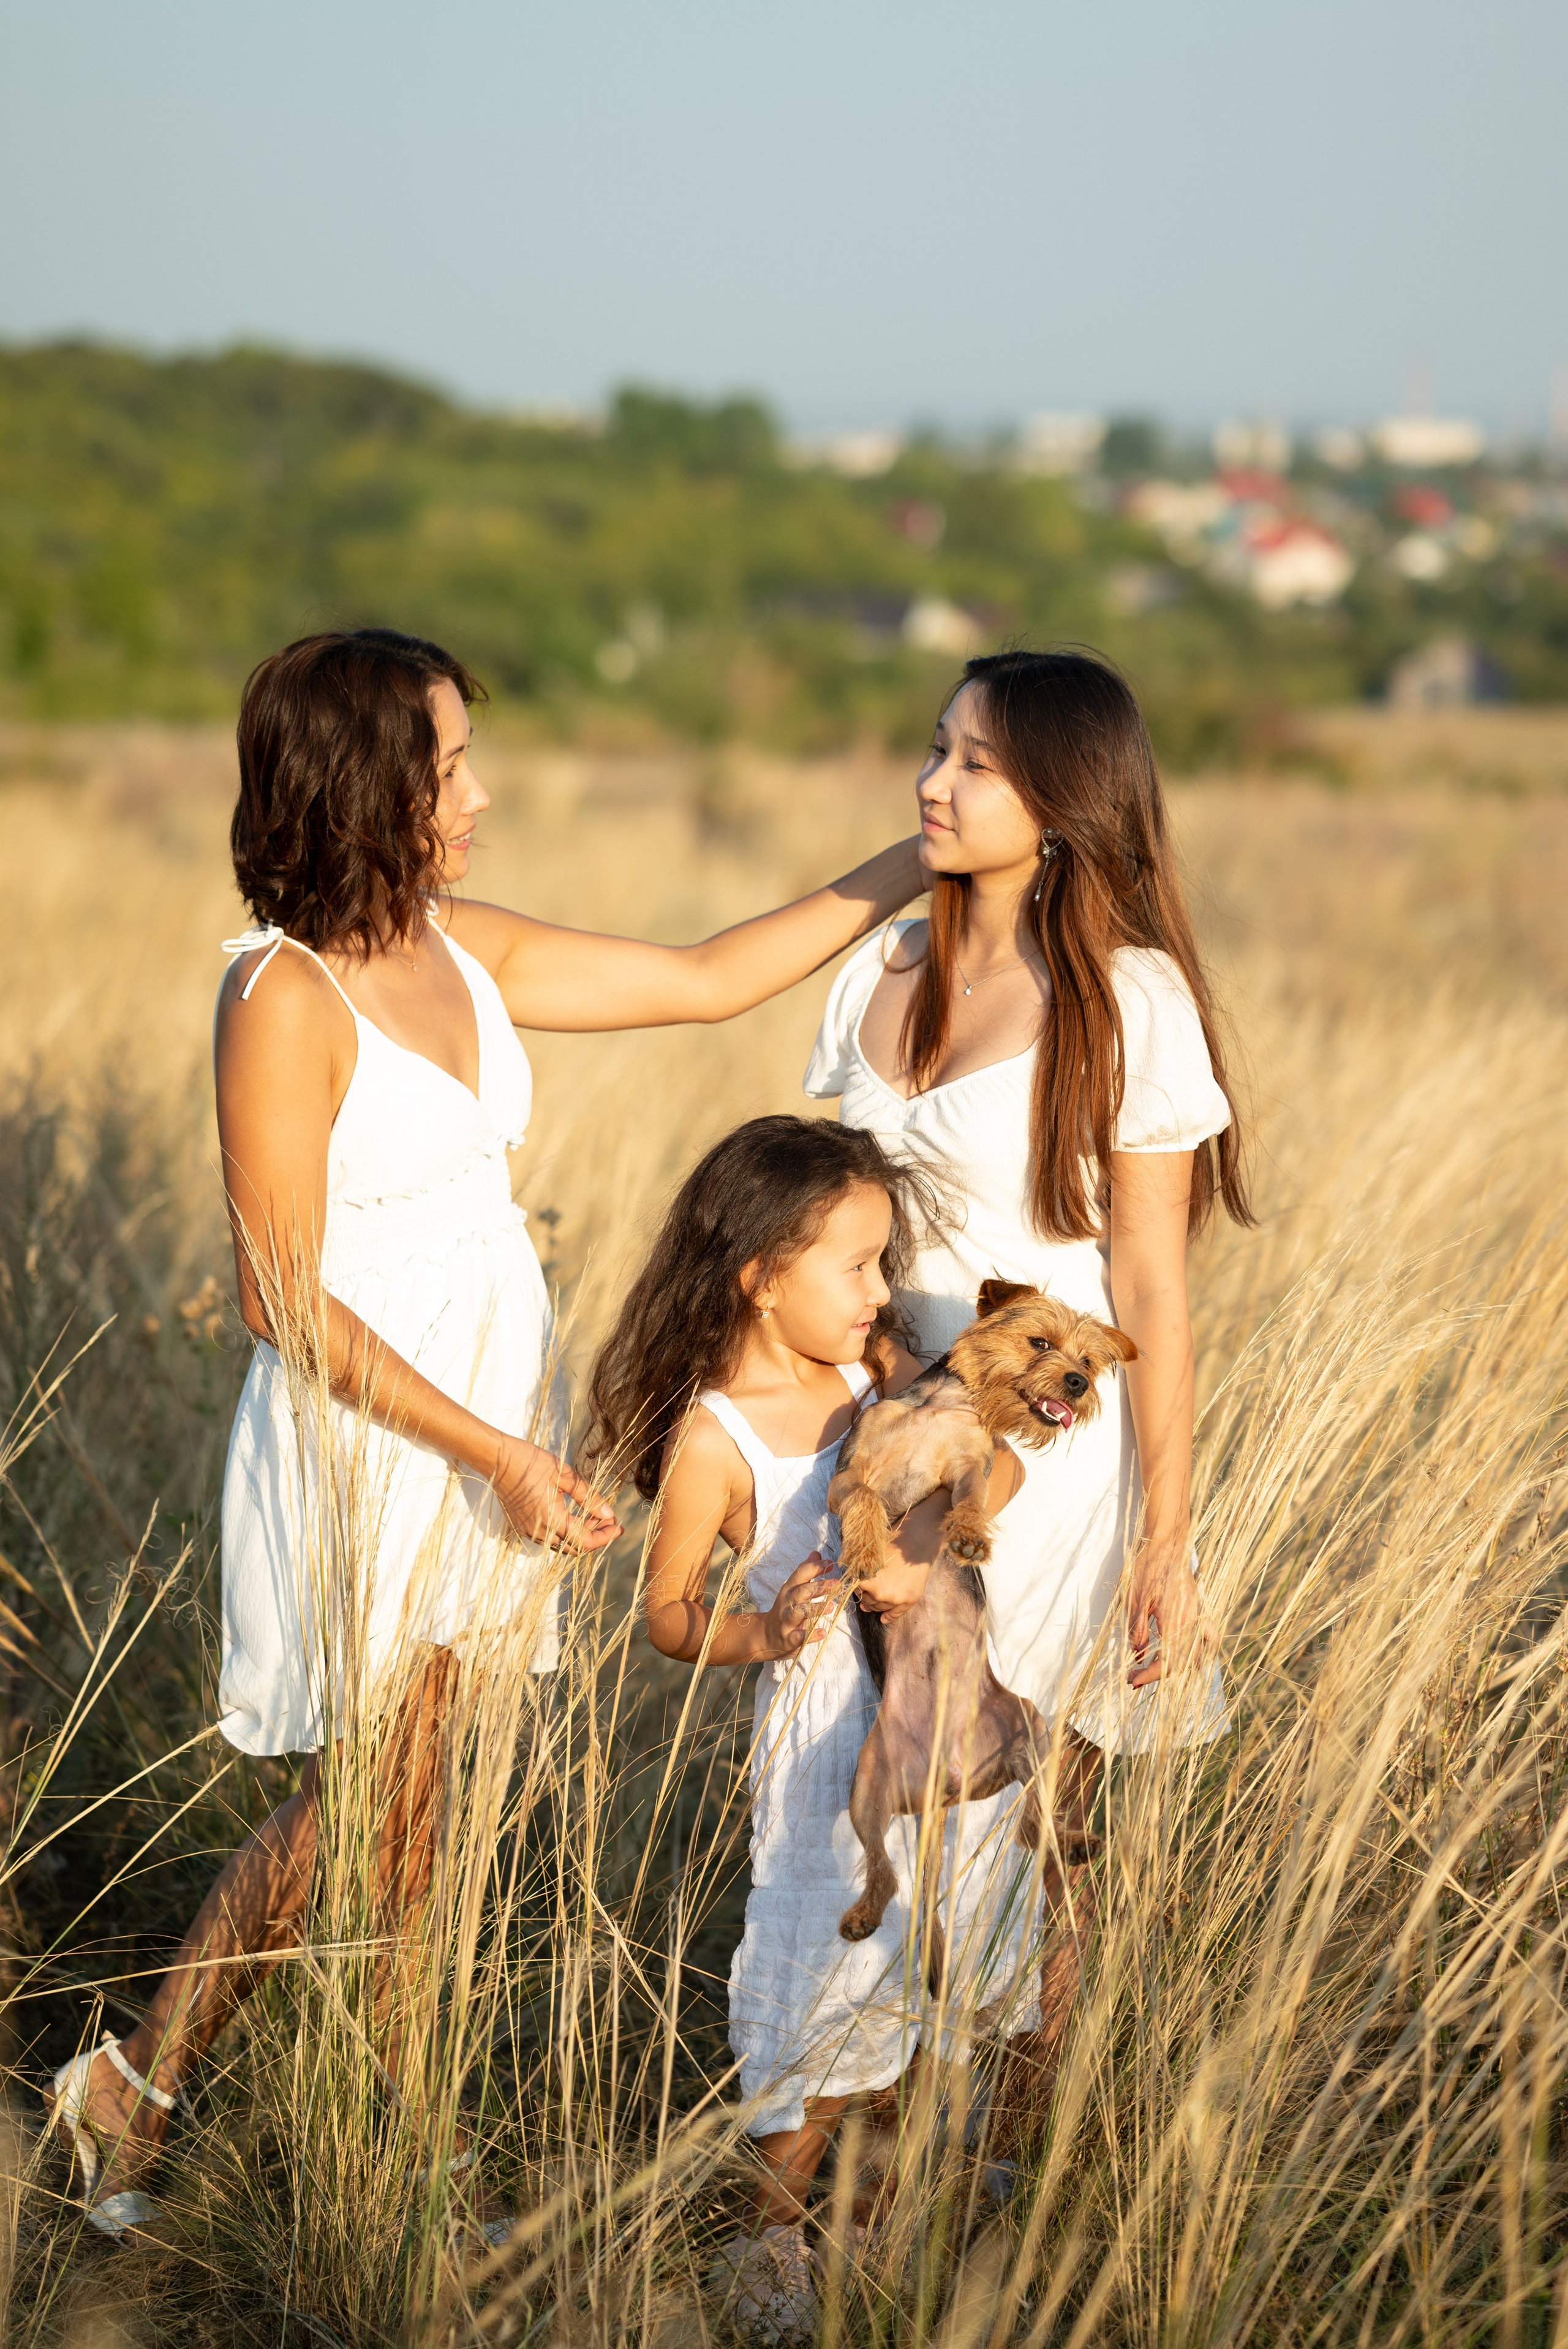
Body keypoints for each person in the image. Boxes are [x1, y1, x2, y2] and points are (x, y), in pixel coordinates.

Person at [47, 628, 924, 2239]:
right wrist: (494, 1454)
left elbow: (707, 976)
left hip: (485, 1431)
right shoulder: (282, 992)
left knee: (423, 1816)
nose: (478, 794)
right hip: (376, 1440)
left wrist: (912, 860)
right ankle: (161, 2087)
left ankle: (374, 2144)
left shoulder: (461, 947)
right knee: (375, 1804)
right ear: (367, 783)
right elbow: (276, 1289)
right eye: (450, 766)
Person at [804, 646, 1246, 2056]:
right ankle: (860, 2109)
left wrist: (1165, 1539)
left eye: (975, 763)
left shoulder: (1124, 999)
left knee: (1036, 1807)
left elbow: (1152, 1289)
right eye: (934, 746)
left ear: (1061, 802)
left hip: (1041, 1450)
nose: (932, 782)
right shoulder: (880, 968)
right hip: (881, 1428)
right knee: (867, 1791)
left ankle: (1020, 2138)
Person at [587, 1115, 1009, 2336]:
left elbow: (982, 1460)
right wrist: (766, 1632)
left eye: (883, 1261)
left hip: (934, 1697)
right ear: (763, 1278)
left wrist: (944, 1516)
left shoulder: (875, 1370)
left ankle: (870, 2225)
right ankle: (769, 2238)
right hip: (825, 1730)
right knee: (825, 1972)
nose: (882, 1289)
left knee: (924, 1961)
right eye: (857, 1264)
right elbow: (668, 1615)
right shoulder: (712, 1437)